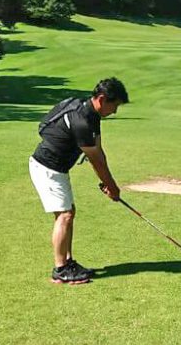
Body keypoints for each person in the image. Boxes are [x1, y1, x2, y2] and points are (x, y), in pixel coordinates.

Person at [29, 77, 129, 284]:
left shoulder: (91, 115)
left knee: (68, 212)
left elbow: (99, 152)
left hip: (56, 168)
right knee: (64, 215)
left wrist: (109, 184)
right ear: (102, 99)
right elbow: (96, 162)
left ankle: (68, 262)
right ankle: (60, 269)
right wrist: (112, 187)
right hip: (47, 168)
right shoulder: (82, 121)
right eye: (114, 105)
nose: (115, 111)